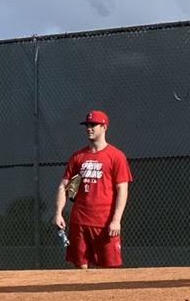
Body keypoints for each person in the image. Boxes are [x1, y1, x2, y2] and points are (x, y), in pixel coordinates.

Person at [53, 110, 132, 269]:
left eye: (93, 125)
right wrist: (58, 212)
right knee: (81, 268)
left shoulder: (116, 156)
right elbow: (66, 186)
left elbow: (122, 189)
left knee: (109, 270)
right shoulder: (78, 157)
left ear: (104, 127)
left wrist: (116, 220)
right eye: (87, 125)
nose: (89, 128)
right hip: (79, 222)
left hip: (104, 223)